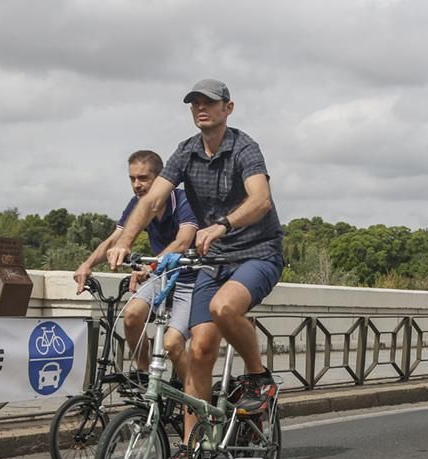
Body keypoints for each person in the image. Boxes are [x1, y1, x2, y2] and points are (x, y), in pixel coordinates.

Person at [107, 78, 285, 420]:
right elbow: (152, 199)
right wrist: (124, 242)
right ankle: (191, 447)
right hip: (212, 261)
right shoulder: (186, 151)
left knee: (224, 307)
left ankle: (258, 378)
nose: (201, 108)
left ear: (227, 108)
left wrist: (222, 225)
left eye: (209, 102)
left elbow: (261, 201)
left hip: (257, 252)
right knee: (200, 349)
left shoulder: (244, 148)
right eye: (194, 103)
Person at [72, 150, 202, 378]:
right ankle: (144, 376)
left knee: (173, 345)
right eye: (132, 179)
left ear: (161, 179)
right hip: (161, 276)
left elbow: (183, 241)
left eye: (143, 178)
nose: (137, 185)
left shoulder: (184, 200)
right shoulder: (137, 204)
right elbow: (115, 239)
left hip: (189, 280)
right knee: (131, 316)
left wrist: (150, 267)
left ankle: (191, 395)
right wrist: (87, 264)